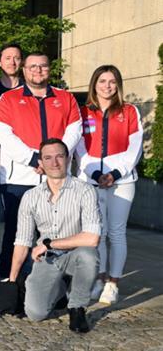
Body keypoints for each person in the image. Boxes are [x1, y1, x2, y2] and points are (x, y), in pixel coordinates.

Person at [0, 52, 82, 278]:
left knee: (57, 233)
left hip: (56, 179)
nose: (37, 71)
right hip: (19, 179)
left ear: (49, 69)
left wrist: (53, 159)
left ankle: (56, 283)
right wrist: (34, 159)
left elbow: (74, 130)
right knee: (15, 232)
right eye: (32, 67)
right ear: (24, 70)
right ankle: (9, 280)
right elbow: (5, 134)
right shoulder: (9, 99)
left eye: (42, 66)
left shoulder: (66, 98)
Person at [9, 139, 99, 333]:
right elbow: (22, 242)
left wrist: (50, 244)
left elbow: (92, 238)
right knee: (35, 313)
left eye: (59, 156)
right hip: (47, 260)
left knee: (89, 256)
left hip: (75, 256)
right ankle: (60, 291)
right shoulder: (31, 197)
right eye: (48, 158)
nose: (54, 162)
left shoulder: (86, 191)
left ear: (68, 159)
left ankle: (77, 307)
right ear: (40, 163)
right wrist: (12, 280)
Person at [75, 66, 142, 305]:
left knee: (116, 232)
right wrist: (94, 173)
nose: (107, 86)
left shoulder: (129, 111)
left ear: (118, 85)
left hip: (121, 182)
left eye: (112, 81)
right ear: (94, 84)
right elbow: (79, 147)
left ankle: (113, 282)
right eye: (102, 81)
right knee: (98, 234)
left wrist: (114, 173)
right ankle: (99, 279)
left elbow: (135, 148)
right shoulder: (82, 112)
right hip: (91, 181)